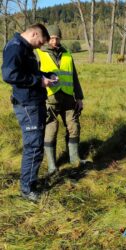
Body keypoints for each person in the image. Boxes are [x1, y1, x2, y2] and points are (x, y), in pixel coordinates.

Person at [1, 23, 56, 202]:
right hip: (27, 104)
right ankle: (27, 189)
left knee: (36, 145)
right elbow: (10, 75)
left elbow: (29, 72)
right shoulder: (15, 47)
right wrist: (39, 82)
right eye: (40, 42)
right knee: (33, 146)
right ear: (33, 34)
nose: (40, 46)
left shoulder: (25, 48)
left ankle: (30, 182)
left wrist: (46, 75)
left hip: (34, 102)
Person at [36, 25, 85, 176]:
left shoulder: (68, 54)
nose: (54, 40)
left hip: (69, 98)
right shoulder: (39, 54)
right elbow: (34, 77)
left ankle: (74, 160)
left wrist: (79, 97)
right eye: (51, 38)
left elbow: (74, 77)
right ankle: (52, 166)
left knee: (74, 126)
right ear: (46, 39)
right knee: (51, 129)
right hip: (49, 98)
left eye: (57, 37)